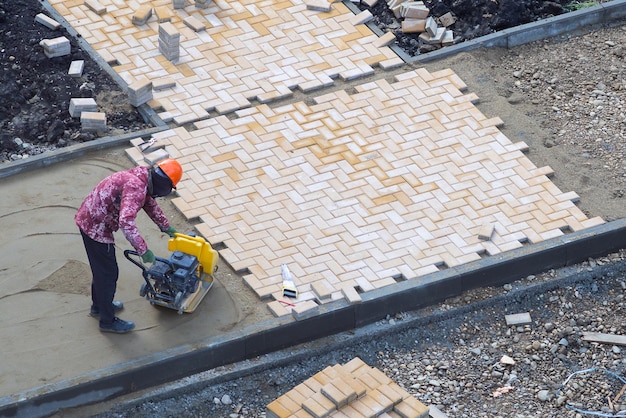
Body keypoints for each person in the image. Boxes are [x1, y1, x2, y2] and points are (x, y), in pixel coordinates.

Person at [75, 158, 183, 333]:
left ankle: (100, 306)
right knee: (108, 274)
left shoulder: (143, 177)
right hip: (95, 227)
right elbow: (126, 222)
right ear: (164, 185)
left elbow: (149, 204)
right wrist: (143, 250)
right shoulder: (136, 187)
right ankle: (107, 321)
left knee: (102, 272)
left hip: (92, 217)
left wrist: (166, 226)